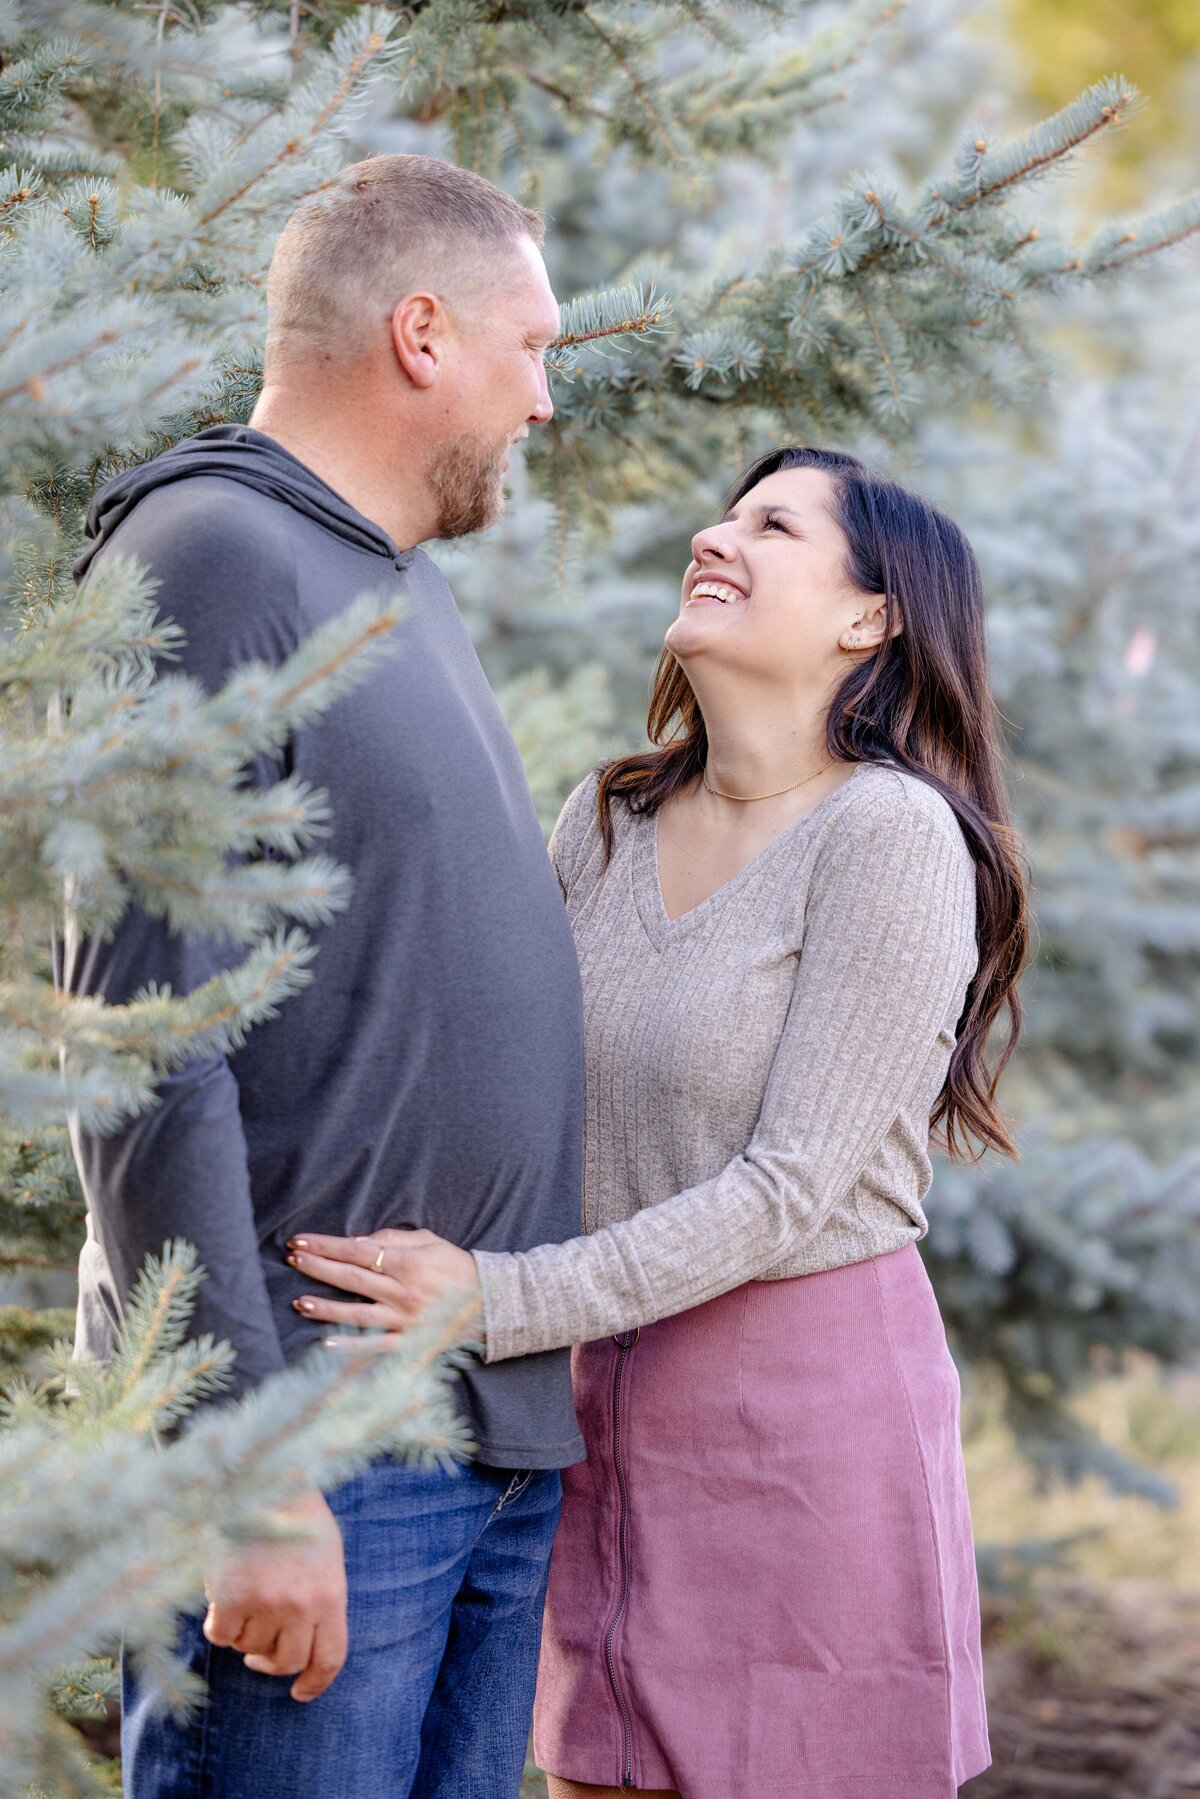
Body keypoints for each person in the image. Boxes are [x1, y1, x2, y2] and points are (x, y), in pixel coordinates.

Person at [290, 445, 1030, 1799]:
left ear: (870, 618)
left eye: (775, 525)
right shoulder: (612, 817)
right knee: (596, 1775)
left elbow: (789, 1186)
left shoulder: (891, 838)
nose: (716, 535)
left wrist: (498, 1299)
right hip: (586, 1392)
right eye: (724, 512)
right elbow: (504, 1082)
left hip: (801, 1407)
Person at [62, 155, 584, 1799]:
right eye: (532, 346)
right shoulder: (211, 549)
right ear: (422, 333)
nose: (546, 399)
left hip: (476, 1442)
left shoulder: (389, 582)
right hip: (324, 1449)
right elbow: (141, 1039)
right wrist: (252, 1470)